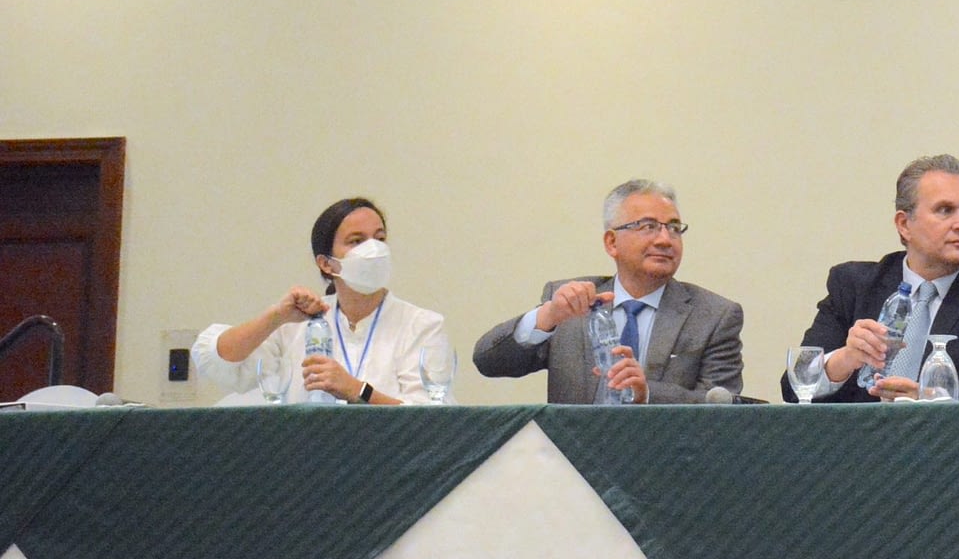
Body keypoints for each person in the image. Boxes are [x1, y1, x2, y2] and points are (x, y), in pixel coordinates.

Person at [784, 154, 959, 402]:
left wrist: (928, 400)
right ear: (904, 224)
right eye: (945, 210)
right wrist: (846, 359)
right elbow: (793, 389)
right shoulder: (853, 285)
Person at [472, 179, 744, 404]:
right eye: (648, 226)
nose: (664, 239)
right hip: (573, 461)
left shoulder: (714, 316)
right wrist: (546, 317)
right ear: (612, 242)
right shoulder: (570, 304)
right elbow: (488, 362)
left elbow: (723, 407)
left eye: (673, 228)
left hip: (667, 463)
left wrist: (647, 393)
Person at [191, 197, 452, 404]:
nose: (373, 250)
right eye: (356, 241)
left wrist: (357, 390)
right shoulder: (298, 324)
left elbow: (430, 416)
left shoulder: (422, 325)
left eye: (380, 238)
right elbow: (219, 361)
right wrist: (275, 317)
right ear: (326, 264)